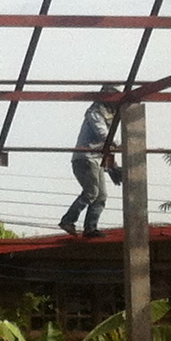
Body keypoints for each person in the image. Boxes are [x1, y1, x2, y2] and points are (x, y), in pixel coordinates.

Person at [61, 83, 126, 238]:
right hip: (85, 159)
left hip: (96, 159)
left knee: (101, 196)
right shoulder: (95, 112)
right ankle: (68, 220)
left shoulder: (110, 114)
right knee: (91, 192)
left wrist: (112, 167)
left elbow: (105, 146)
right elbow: (103, 135)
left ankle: (90, 228)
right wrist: (121, 145)